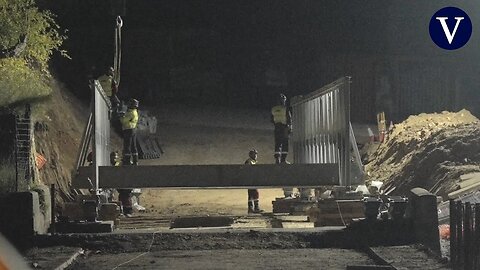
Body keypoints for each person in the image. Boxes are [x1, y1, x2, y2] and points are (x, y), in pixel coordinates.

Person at [271, 93, 294, 198]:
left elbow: (271, 119)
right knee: (285, 143)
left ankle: (277, 160)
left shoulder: (274, 109)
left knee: (277, 144)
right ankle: (283, 160)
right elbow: (289, 119)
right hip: (284, 127)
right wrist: (289, 128)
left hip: (277, 127)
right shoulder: (285, 109)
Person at [120, 98, 139, 165]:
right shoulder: (135, 112)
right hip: (133, 130)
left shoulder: (131, 113)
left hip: (128, 130)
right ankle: (135, 161)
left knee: (127, 146)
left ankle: (127, 161)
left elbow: (124, 121)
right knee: (133, 146)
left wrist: (121, 116)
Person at [245, 149, 263, 213]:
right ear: (250, 155)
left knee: (253, 194)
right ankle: (255, 208)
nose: (255, 155)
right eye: (254, 154)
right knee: (254, 193)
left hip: (253, 180)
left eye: (256, 154)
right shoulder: (249, 161)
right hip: (251, 180)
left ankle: (252, 208)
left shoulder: (254, 161)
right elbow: (248, 171)